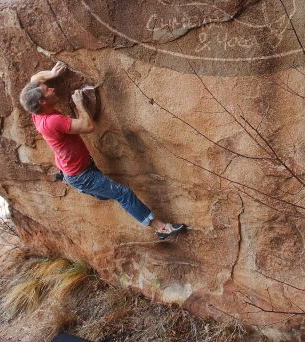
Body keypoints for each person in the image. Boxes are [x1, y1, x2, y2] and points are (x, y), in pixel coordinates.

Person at [19, 61, 185, 240]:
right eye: (47, 90)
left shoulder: (35, 109)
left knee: (105, 195)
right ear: (42, 101)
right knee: (123, 194)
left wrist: (52, 74)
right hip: (81, 174)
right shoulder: (52, 122)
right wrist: (80, 104)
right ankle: (161, 229)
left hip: (75, 168)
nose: (51, 88)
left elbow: (34, 79)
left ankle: (75, 183)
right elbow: (87, 126)